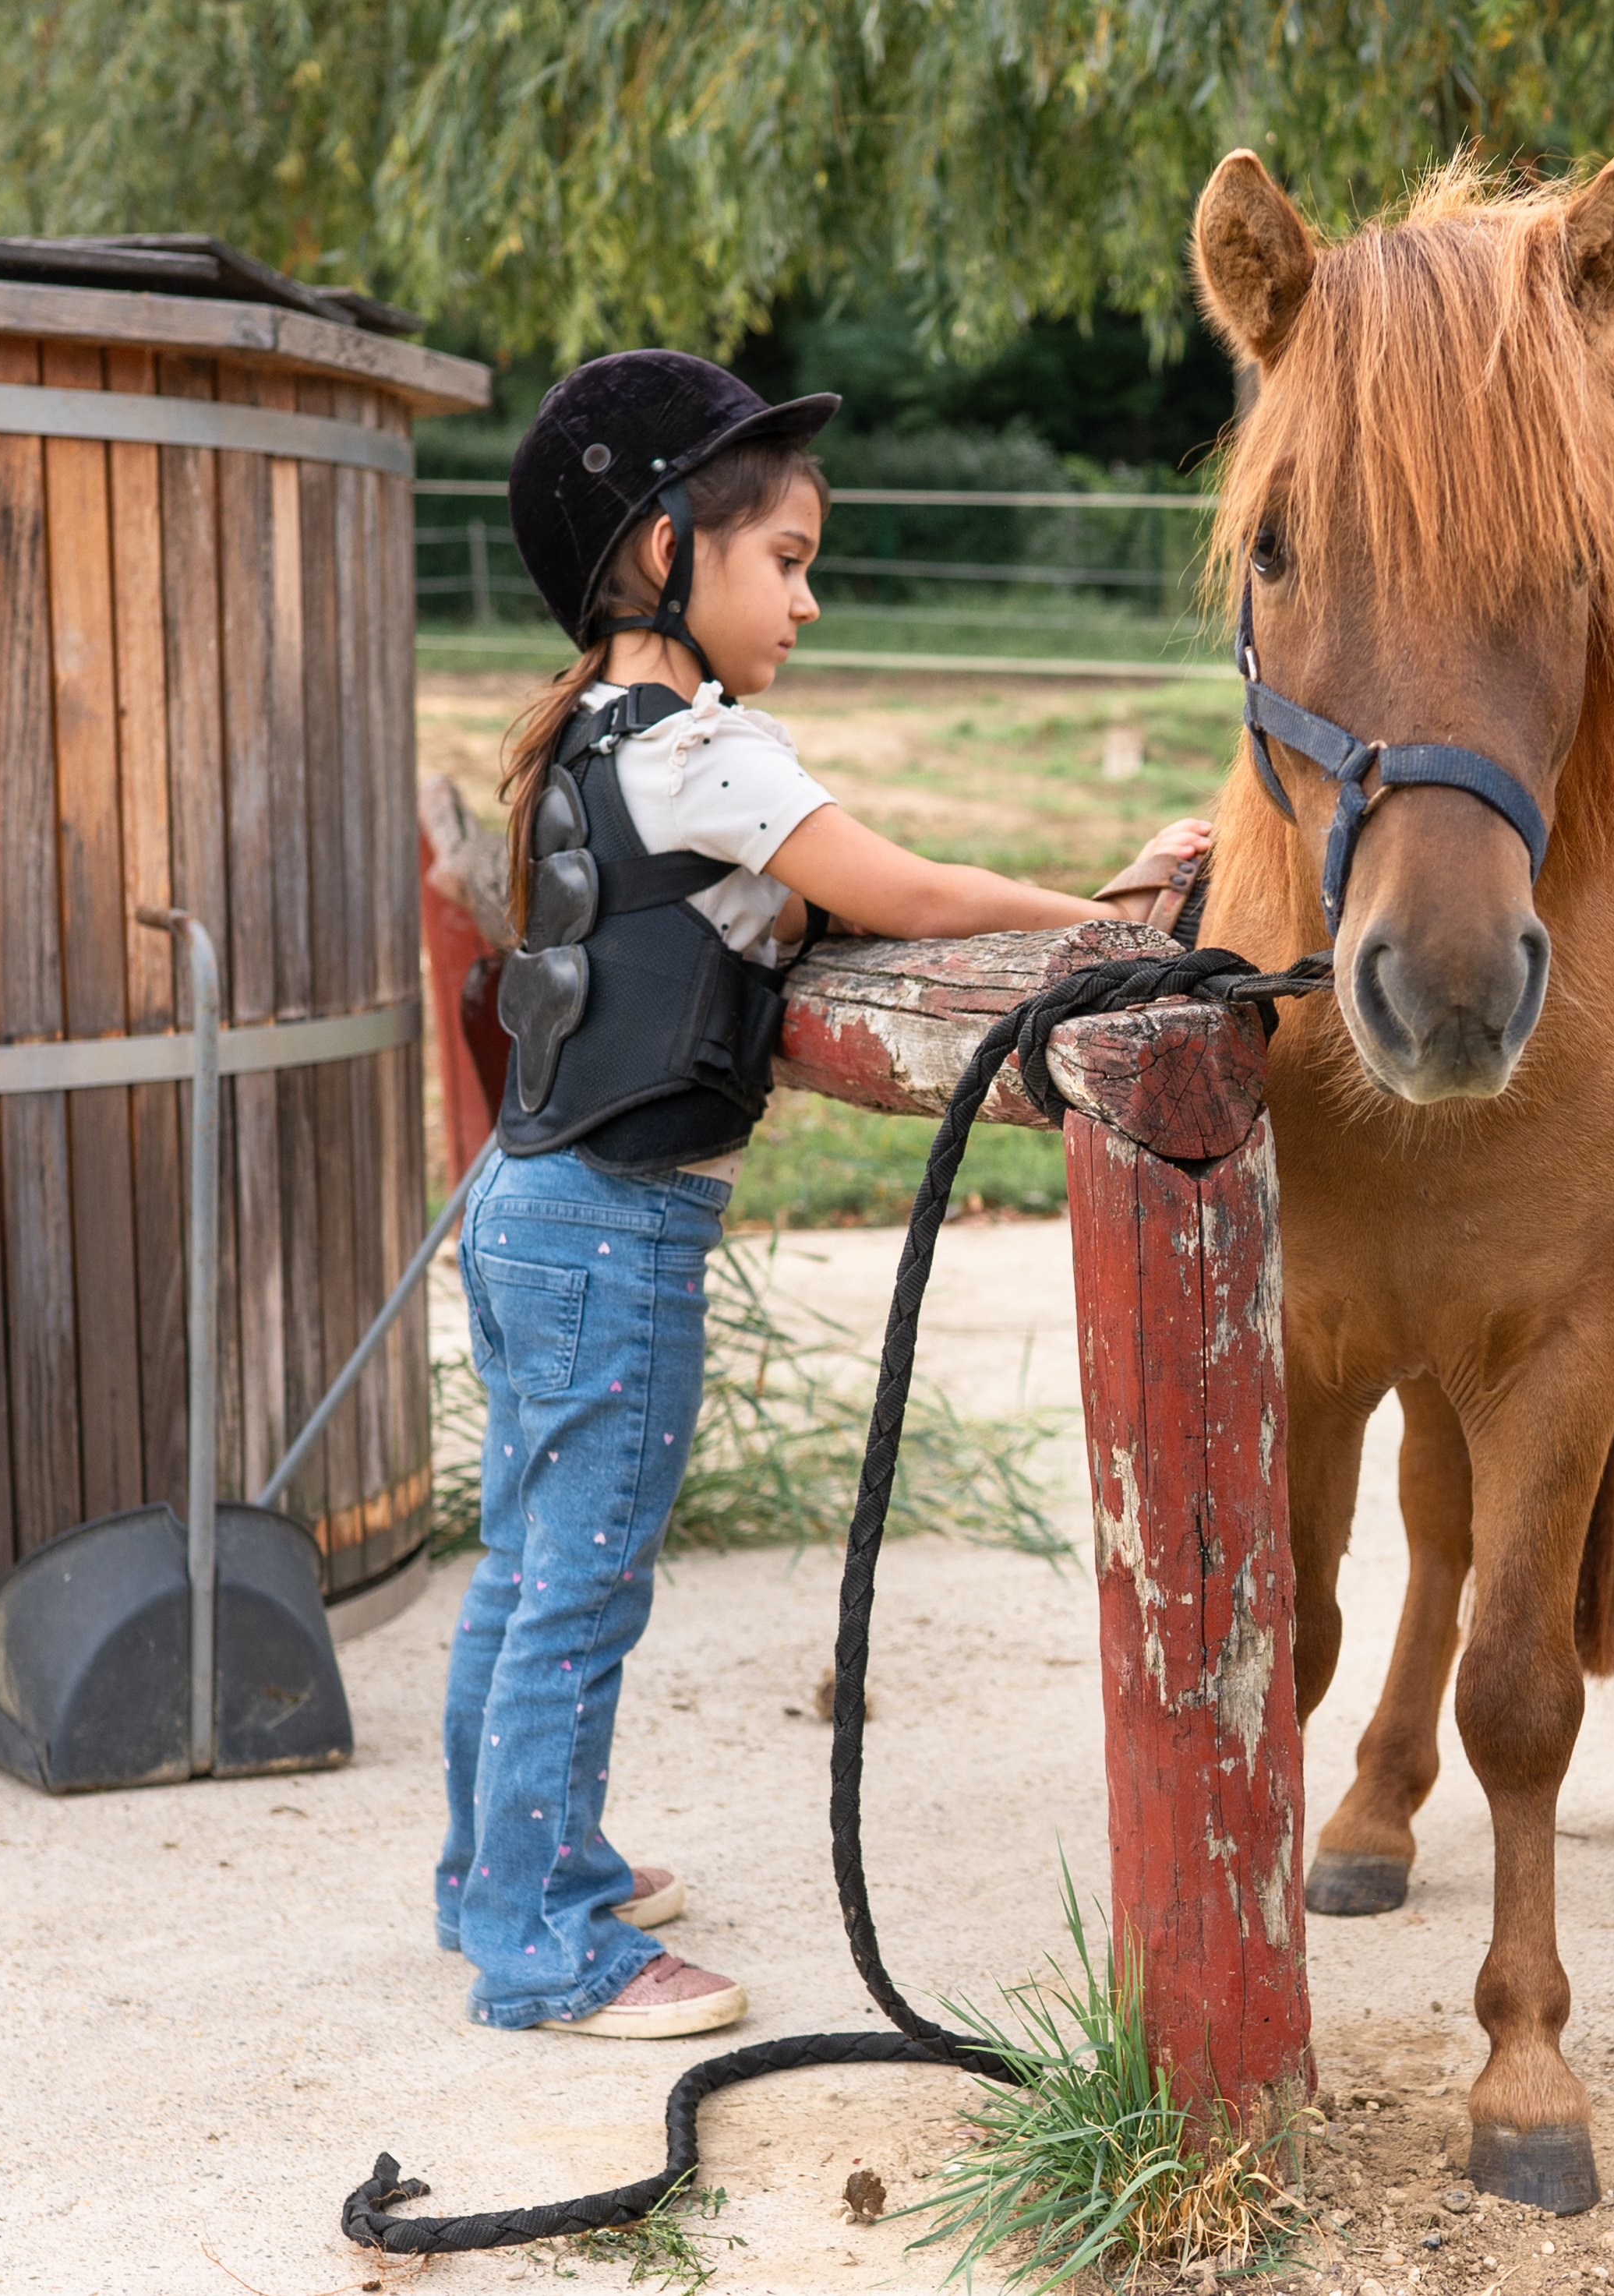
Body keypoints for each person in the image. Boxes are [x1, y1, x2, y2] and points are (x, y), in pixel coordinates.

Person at [441, 351, 1204, 2037]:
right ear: (662, 555)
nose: (806, 594)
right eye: (781, 558)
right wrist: (1112, 934)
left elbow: (779, 919)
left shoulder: (587, 736)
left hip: (530, 1204)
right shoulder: (706, 747)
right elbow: (901, 885)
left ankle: (493, 1864)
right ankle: (543, 1939)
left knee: (524, 1564)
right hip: (619, 1231)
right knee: (581, 1577)